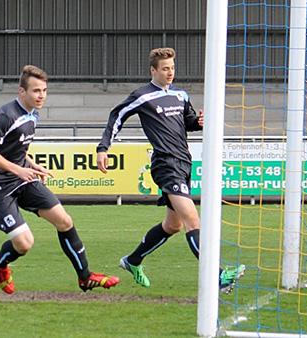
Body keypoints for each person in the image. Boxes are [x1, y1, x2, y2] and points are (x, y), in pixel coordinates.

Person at [96, 48, 245, 294]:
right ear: (153, 70)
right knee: (192, 219)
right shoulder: (142, 96)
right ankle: (217, 275)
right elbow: (117, 116)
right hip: (166, 164)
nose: (170, 73)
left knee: (173, 225)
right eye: (165, 69)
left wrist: (197, 122)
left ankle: (132, 261)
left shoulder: (180, 95)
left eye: (173, 68)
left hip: (184, 163)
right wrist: (104, 148)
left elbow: (187, 121)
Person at [0, 65, 120, 294]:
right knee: (24, 244)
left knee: (64, 220)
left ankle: (85, 277)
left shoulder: (33, 113)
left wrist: (32, 164)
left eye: (44, 90)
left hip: (22, 176)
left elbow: (15, 146)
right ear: (21, 92)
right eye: (36, 91)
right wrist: (18, 170)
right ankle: (0, 262)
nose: (41, 95)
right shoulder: (7, 115)